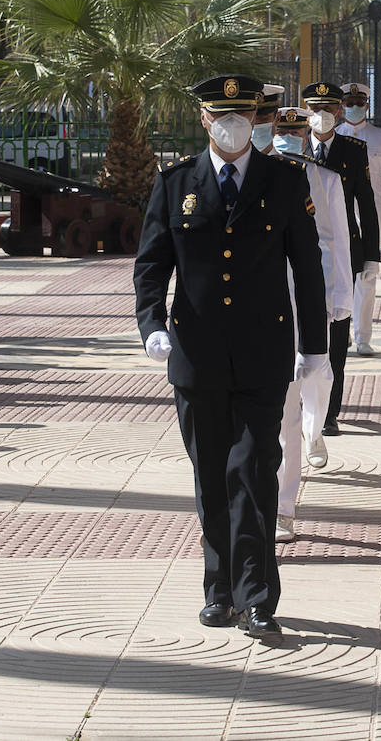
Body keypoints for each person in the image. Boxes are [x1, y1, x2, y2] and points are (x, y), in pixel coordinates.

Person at [134, 74, 329, 642]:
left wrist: (314, 346)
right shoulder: (176, 182)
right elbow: (151, 264)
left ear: (255, 118)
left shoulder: (284, 180)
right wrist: (151, 325)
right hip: (197, 355)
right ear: (204, 119)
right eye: (222, 115)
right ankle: (218, 589)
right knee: (211, 474)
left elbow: (307, 266)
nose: (234, 124)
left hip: (263, 353)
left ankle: (257, 596)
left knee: (255, 471)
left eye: (243, 114)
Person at [270, 106, 352, 543]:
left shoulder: (324, 179)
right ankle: (282, 507)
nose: (286, 137)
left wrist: (340, 298)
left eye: (293, 130)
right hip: (268, 304)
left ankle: (315, 428)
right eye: (277, 128)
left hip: (310, 296)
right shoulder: (260, 175)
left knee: (317, 379)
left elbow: (337, 241)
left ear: (305, 136)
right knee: (284, 404)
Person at [302, 81, 377, 438]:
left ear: (339, 111)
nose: (322, 115)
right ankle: (302, 406)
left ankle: (330, 413)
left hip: (343, 254)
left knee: (337, 336)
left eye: (329, 108)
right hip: (300, 253)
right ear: (306, 111)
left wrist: (372, 256)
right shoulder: (293, 146)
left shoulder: (353, 149)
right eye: (315, 109)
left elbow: (367, 204)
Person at [338, 82, 381, 356]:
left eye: (359, 103)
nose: (354, 107)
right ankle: (341, 330)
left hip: (372, 214)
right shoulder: (333, 136)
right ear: (342, 105)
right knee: (339, 273)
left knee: (367, 275)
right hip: (339, 212)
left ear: (367, 105)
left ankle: (363, 336)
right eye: (349, 103)